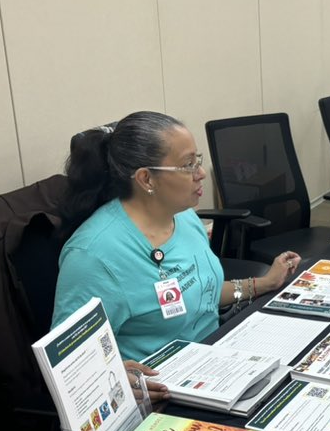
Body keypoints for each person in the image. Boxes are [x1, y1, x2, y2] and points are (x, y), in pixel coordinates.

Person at [53, 111, 301, 400]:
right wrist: (117, 378)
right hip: (160, 396)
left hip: (214, 365)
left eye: (198, 160)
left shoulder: (183, 218)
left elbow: (200, 294)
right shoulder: (93, 255)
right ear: (146, 179)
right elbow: (69, 360)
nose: (201, 172)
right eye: (187, 165)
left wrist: (264, 284)